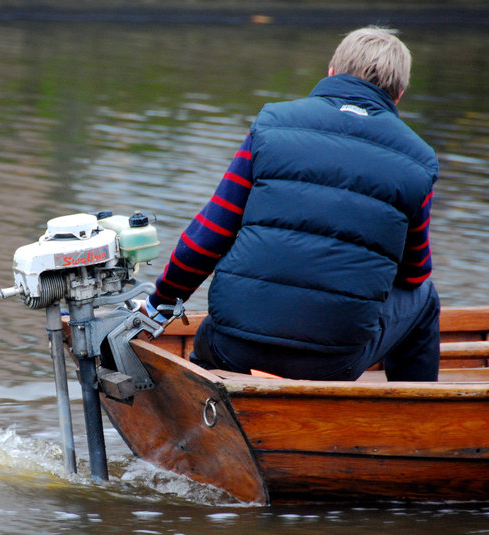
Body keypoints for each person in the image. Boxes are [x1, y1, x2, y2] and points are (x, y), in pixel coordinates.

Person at [145, 27, 440, 381]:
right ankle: (409, 420)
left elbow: (206, 238)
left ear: (331, 72)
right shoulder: (419, 161)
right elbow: (414, 273)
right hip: (334, 363)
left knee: (214, 338)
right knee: (425, 297)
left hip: (232, 346)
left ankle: (206, 404)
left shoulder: (271, 125)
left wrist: (157, 306)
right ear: (399, 95)